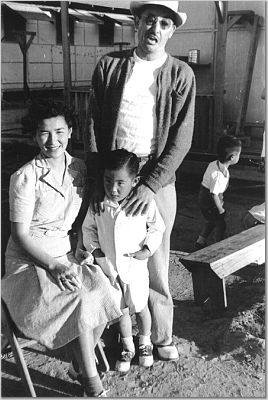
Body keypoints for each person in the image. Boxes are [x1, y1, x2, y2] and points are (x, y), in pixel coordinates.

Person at [85, 0, 196, 361]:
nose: (155, 29)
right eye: (149, 20)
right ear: (137, 22)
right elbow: (91, 126)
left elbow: (182, 138)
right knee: (109, 256)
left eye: (164, 23)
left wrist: (151, 185)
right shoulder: (111, 66)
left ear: (172, 30)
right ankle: (117, 334)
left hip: (157, 179)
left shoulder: (180, 74)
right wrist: (97, 184)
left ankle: (161, 336)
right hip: (114, 176)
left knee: (155, 259)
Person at [1, 100, 122, 397]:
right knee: (79, 296)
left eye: (59, 131)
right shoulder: (25, 177)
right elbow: (19, 236)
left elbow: (82, 217)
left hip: (64, 254)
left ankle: (78, 365)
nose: (52, 141)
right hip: (28, 263)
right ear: (34, 136)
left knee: (106, 288)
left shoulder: (79, 169)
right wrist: (54, 266)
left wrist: (79, 250)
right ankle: (91, 381)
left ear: (70, 132)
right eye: (43, 133)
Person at [81, 149, 165, 373]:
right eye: (108, 181)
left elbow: (158, 227)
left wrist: (147, 249)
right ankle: (127, 346)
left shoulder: (142, 203)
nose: (114, 188)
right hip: (110, 269)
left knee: (140, 307)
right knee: (122, 311)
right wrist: (96, 253)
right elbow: (88, 230)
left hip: (135, 268)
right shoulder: (99, 203)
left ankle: (144, 343)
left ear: (135, 181)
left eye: (121, 182)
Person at [195, 135, 242, 249]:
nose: (239, 157)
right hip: (210, 200)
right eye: (239, 154)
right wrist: (221, 210)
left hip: (204, 197)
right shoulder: (218, 175)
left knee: (211, 220)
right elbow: (214, 194)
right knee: (221, 224)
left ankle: (200, 241)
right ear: (232, 157)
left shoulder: (214, 163)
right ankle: (218, 247)